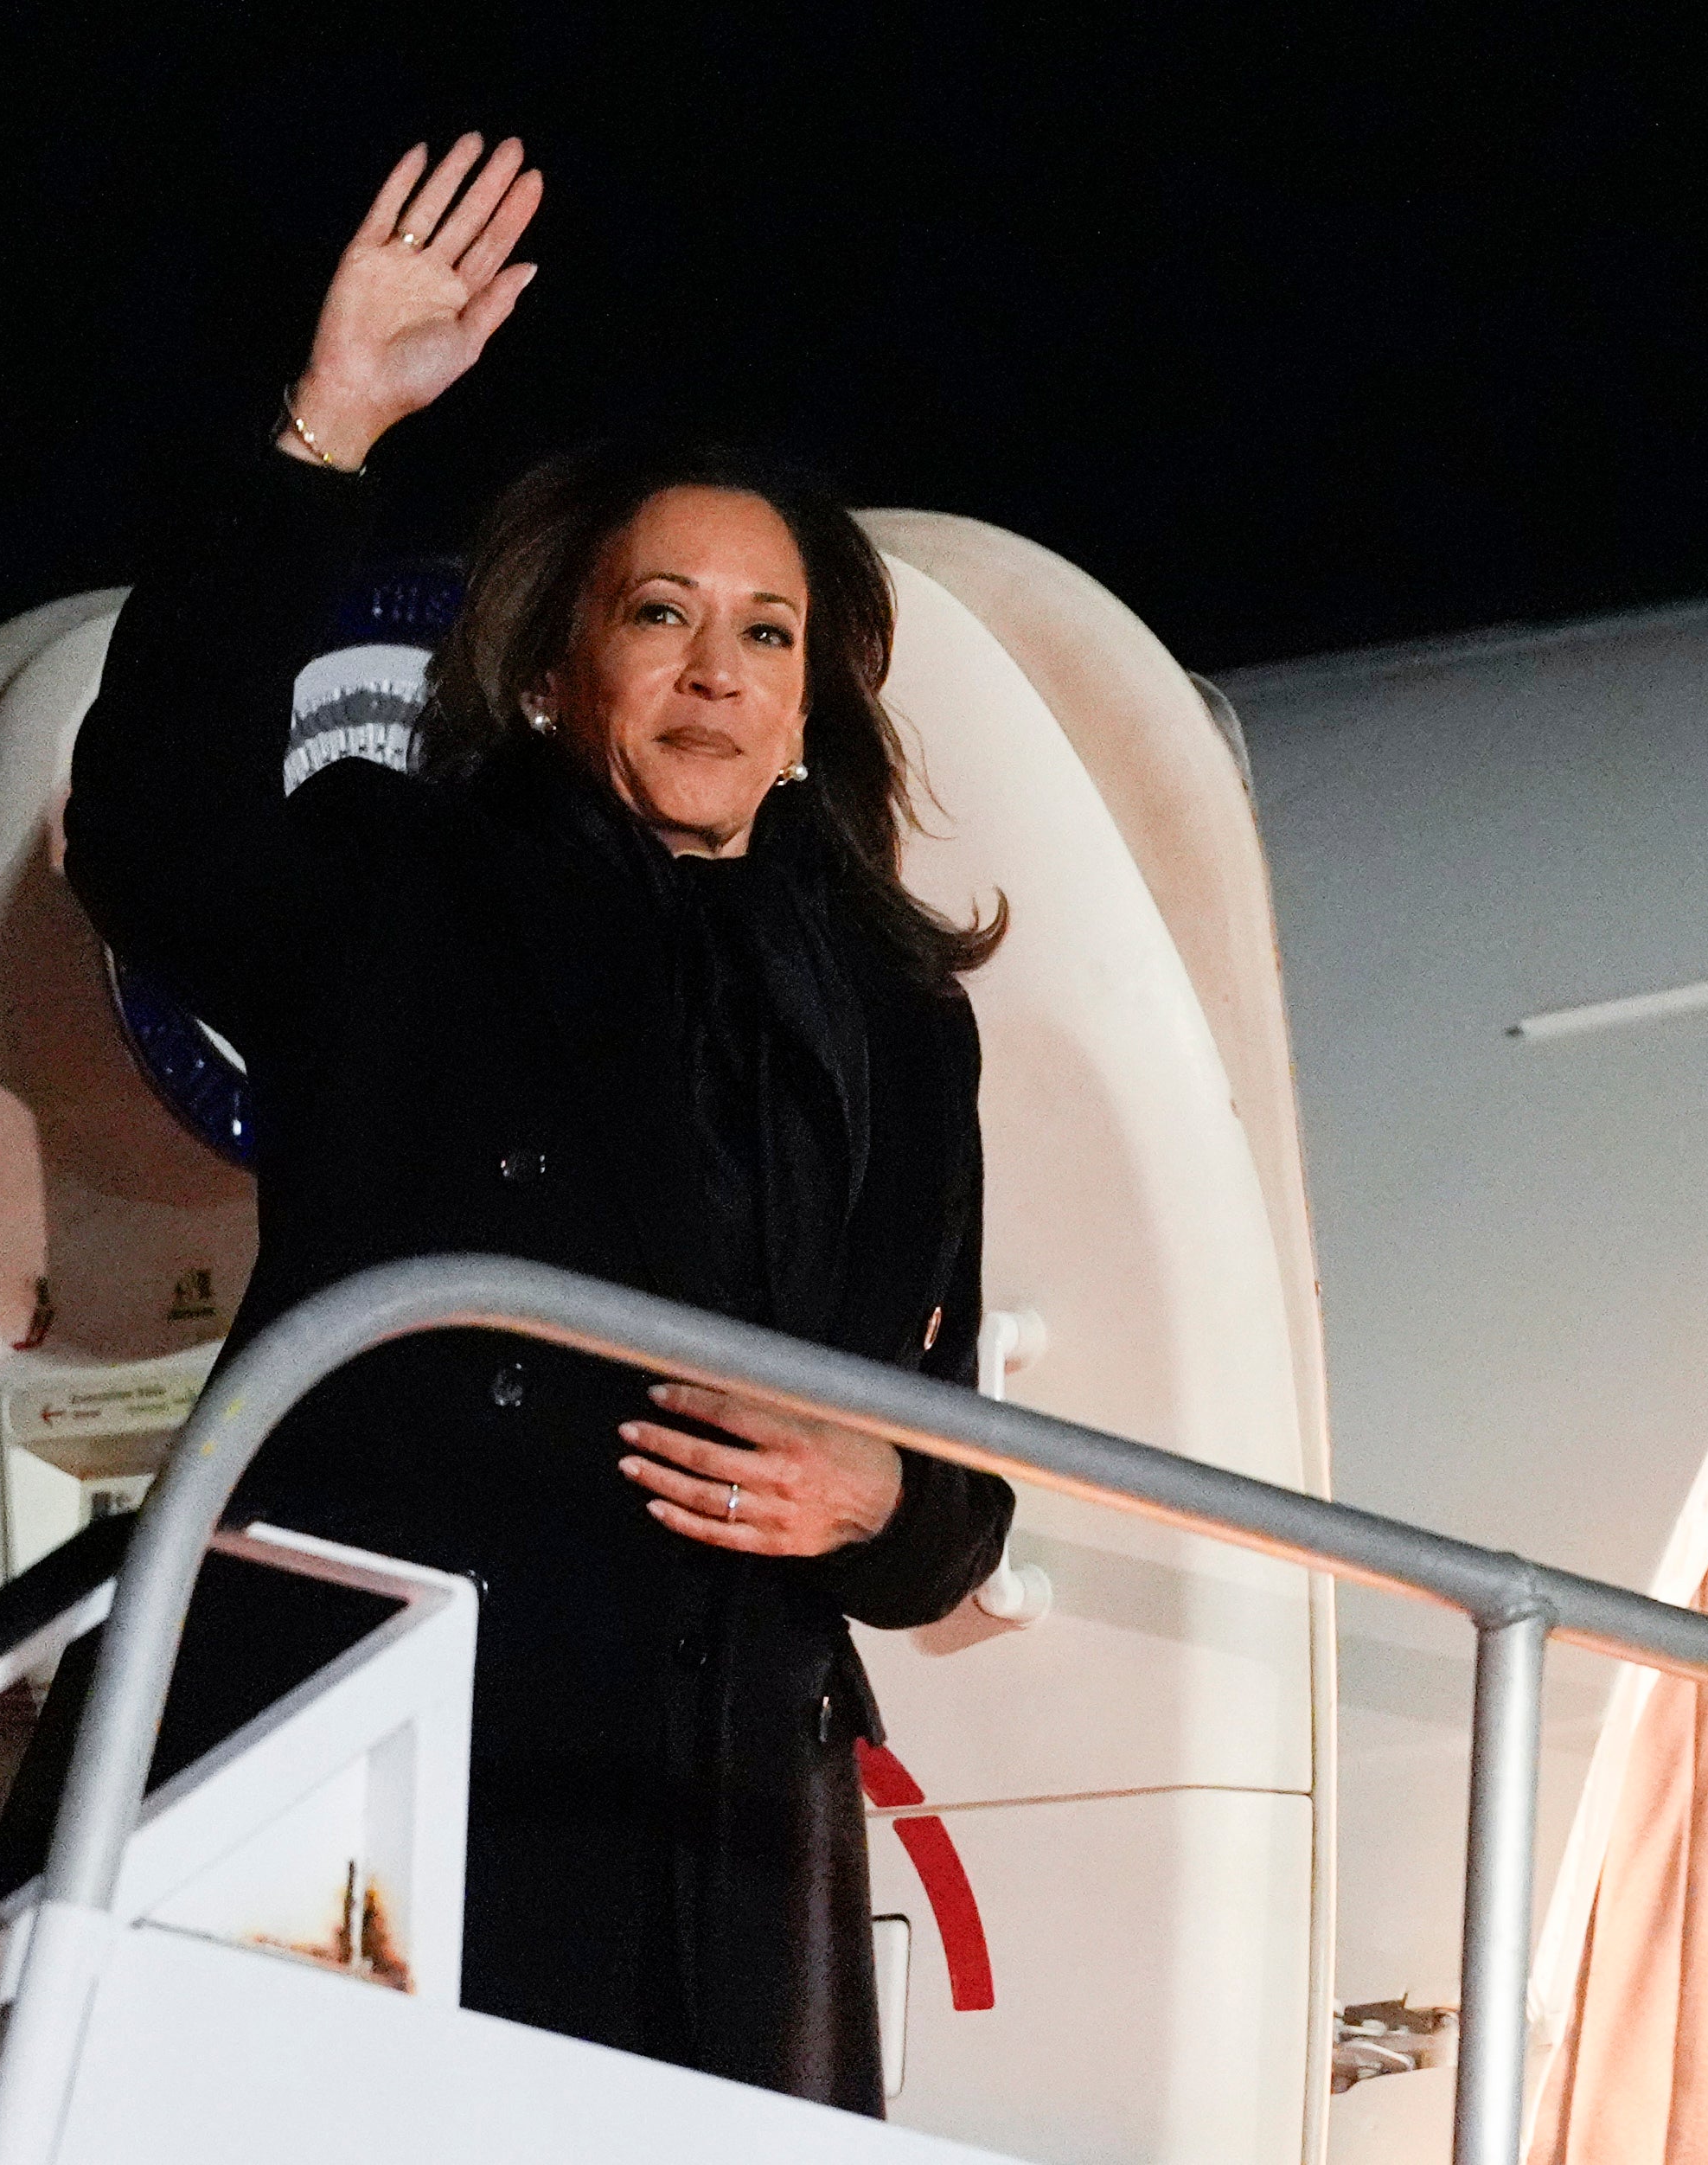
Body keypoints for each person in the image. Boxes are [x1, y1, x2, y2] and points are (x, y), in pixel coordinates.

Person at [64, 134, 1014, 2112]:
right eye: (660, 614)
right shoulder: (412, 893)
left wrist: (880, 1505)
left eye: (765, 631)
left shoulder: (905, 1027)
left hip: (734, 1812)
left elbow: (953, 1475)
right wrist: (321, 431)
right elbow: (151, 838)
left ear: (818, 694)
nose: (713, 670)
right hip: (401, 1752)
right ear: (566, 662)